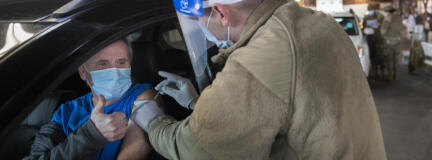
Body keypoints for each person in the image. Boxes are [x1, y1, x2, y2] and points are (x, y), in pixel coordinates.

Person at [132, 0, 386, 159]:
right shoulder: (318, 23)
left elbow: (200, 151)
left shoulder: (262, 55)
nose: (200, 25)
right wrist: (196, 103)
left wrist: (153, 121)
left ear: (221, 13)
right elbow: (289, 107)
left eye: (198, 17)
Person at [24, 40, 157, 160]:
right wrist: (90, 135)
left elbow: (135, 150)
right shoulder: (66, 112)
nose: (114, 71)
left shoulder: (144, 96)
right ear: (83, 72)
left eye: (121, 62)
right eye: (103, 63)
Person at [381, 5, 403, 80]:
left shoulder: (388, 18)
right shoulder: (399, 18)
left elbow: (383, 31)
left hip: (389, 41)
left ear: (387, 11)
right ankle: (396, 75)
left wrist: (382, 34)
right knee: (396, 58)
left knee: (389, 59)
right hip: (398, 40)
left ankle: (390, 75)